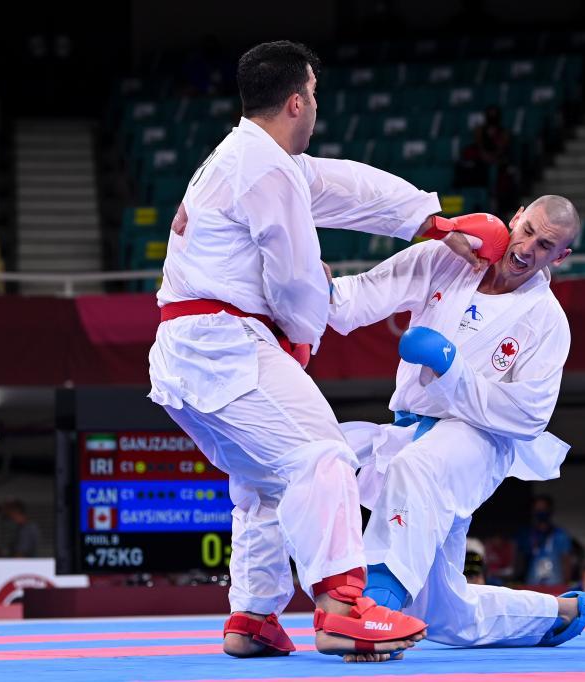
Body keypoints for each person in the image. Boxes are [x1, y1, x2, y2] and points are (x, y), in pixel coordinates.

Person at [150, 40, 505, 661]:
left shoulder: (251, 157)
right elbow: (294, 281)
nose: (317, 106)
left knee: (263, 479)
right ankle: (341, 609)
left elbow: (343, 185)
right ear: (296, 101)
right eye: (313, 95)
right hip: (223, 347)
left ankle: (252, 617)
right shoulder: (264, 169)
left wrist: (430, 220)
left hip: (189, 356)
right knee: (323, 455)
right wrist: (302, 331)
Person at [329, 195, 585, 651]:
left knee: (418, 468)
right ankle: (555, 615)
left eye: (545, 245)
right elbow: (358, 297)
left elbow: (530, 415)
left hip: (479, 440)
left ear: (560, 257)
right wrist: (307, 285)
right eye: (528, 230)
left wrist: (451, 368)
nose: (527, 248)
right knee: (442, 612)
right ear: (515, 218)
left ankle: (375, 607)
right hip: (408, 428)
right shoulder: (448, 259)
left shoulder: (547, 320)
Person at [517, 495, 574, 586]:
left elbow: (566, 560)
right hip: (532, 584)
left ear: (550, 510)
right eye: (538, 509)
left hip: (555, 584)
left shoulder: (560, 534)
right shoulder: (527, 534)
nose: (541, 512)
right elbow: (519, 560)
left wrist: (566, 584)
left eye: (544, 509)